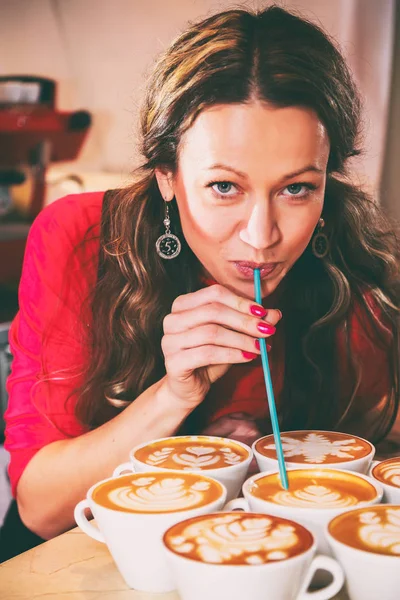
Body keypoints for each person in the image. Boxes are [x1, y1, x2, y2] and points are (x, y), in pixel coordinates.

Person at [1, 5, 399, 561]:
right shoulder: (82, 239)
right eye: (223, 187)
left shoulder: (356, 265)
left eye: (297, 189)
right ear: (166, 175)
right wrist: (175, 396)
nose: (262, 238)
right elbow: (39, 509)